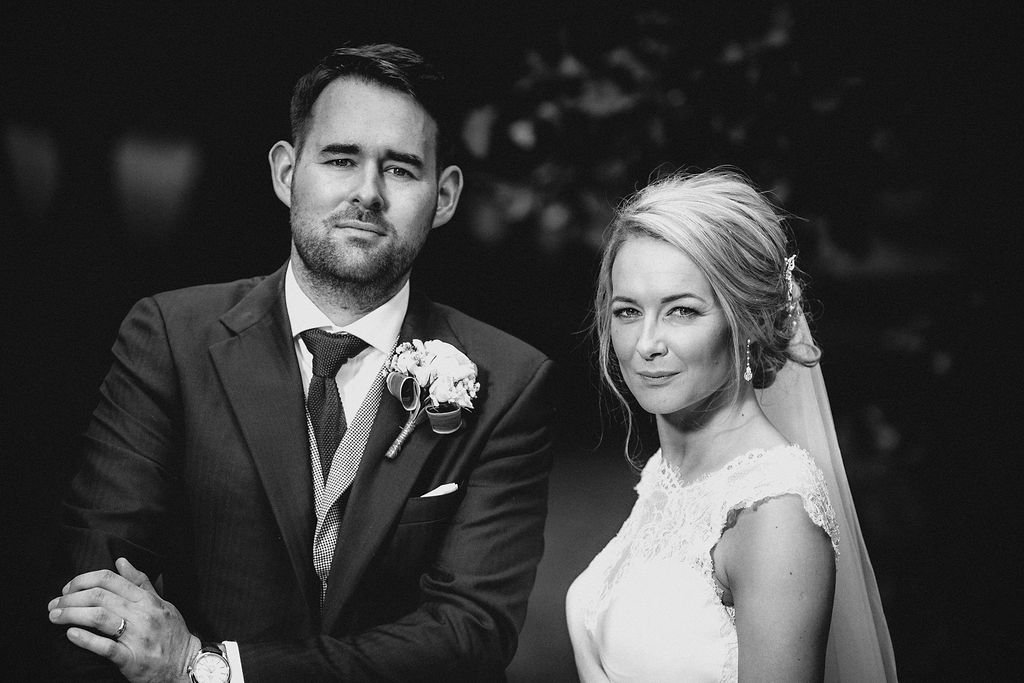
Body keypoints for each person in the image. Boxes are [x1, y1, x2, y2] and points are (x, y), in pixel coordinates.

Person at [47, 43, 555, 682]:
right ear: (287, 173)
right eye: (340, 159)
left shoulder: (508, 379)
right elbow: (102, 585)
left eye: (400, 169)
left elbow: (470, 632)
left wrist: (209, 667)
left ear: (445, 196)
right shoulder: (171, 338)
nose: (367, 193)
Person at [566, 169, 897, 681]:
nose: (645, 343)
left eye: (681, 311)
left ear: (744, 322)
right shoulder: (670, 471)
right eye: (628, 311)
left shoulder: (771, 514)